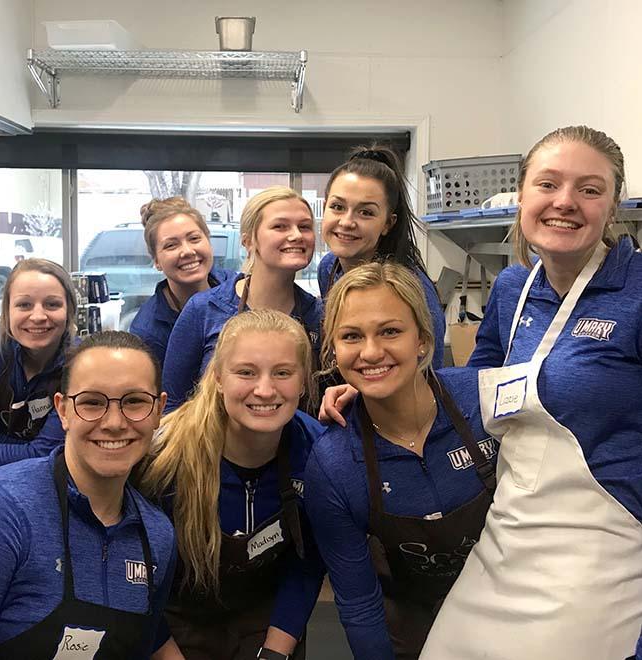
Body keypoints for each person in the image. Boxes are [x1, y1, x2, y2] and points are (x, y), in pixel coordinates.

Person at [419, 126, 642, 660]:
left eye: (589, 189)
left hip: (601, 545)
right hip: (509, 528)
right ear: (522, 195)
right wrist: (378, 398)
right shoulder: (513, 288)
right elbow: (474, 389)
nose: (565, 202)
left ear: (611, 206)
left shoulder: (635, 291)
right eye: (549, 184)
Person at [304, 262, 496, 660]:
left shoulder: (484, 403)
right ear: (333, 350)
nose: (372, 352)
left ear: (423, 340)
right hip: (412, 627)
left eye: (390, 331)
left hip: (506, 608)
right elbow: (359, 603)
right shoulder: (334, 464)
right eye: (352, 336)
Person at [139, 309, 325, 660]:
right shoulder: (162, 457)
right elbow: (135, 579)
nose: (265, 390)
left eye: (283, 373)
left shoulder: (317, 454)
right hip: (171, 629)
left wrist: (275, 652)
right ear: (219, 377)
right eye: (246, 372)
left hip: (268, 623)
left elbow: (307, 564)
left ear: (303, 382)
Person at [0, 331, 178, 659]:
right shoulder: (0, 513)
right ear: (62, 410)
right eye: (91, 402)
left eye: (134, 402)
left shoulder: (156, 537)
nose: (114, 423)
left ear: (158, 410)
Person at [163, 186, 322, 411]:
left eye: (304, 227)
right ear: (248, 241)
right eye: (280, 226)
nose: (296, 235)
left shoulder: (318, 316)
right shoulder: (205, 309)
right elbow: (171, 405)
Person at [317, 145, 445, 369]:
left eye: (365, 212)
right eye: (337, 207)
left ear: (388, 223)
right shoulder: (329, 269)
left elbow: (429, 376)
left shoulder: (413, 290)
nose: (347, 222)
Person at [0, 258, 76, 471]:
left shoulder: (81, 365)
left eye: (52, 304)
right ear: (7, 310)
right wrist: (38, 450)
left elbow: (49, 453)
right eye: (24, 304)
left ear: (70, 310)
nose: (38, 316)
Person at [130, 196, 233, 367]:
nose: (187, 251)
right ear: (156, 261)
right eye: (171, 245)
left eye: (194, 239)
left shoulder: (237, 288)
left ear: (209, 242)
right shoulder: (147, 331)